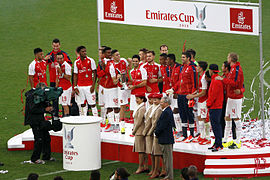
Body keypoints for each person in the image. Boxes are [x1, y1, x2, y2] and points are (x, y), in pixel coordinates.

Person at [216, 53, 244, 149]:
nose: (227, 58)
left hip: (235, 98)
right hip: (230, 98)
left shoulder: (236, 70)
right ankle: (225, 139)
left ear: (231, 59)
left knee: (236, 118)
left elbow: (236, 83)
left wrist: (223, 80)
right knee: (227, 117)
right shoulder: (232, 69)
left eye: (228, 57)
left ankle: (237, 141)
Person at [24, 83, 55, 164]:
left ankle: (46, 156)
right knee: (39, 139)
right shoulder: (31, 97)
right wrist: (45, 109)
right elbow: (32, 109)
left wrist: (50, 106)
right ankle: (35, 158)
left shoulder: (41, 95)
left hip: (40, 120)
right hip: (34, 120)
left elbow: (45, 103)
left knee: (46, 138)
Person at [171, 51, 198, 142]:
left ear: (188, 58)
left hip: (187, 95)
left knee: (189, 114)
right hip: (180, 94)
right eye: (181, 57)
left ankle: (192, 135)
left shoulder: (192, 68)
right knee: (182, 114)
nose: (182, 59)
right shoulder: (183, 68)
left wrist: (192, 95)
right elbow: (180, 81)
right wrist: (173, 89)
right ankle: (184, 134)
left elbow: (195, 83)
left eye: (183, 57)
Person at [187, 61, 211, 145]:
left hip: (204, 100)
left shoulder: (204, 77)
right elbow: (200, 89)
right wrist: (194, 93)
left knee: (205, 119)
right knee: (200, 118)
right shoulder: (201, 76)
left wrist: (193, 97)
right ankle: (202, 136)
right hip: (200, 100)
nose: (196, 68)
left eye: (197, 67)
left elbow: (204, 92)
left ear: (200, 68)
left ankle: (208, 138)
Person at [46, 39, 72, 117]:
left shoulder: (64, 54)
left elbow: (69, 65)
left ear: (59, 45)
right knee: (55, 99)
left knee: (64, 101)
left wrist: (61, 71)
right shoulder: (49, 55)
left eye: (57, 46)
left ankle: (65, 115)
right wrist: (44, 60)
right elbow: (43, 66)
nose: (55, 47)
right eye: (54, 46)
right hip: (53, 80)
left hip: (63, 81)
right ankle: (55, 115)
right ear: (52, 45)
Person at [110, 49, 132, 133]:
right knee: (122, 106)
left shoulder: (123, 60)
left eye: (119, 54)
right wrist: (118, 78)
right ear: (112, 57)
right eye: (116, 55)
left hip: (129, 85)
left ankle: (135, 122)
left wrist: (129, 62)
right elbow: (114, 81)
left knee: (135, 102)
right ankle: (122, 126)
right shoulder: (112, 67)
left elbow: (129, 68)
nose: (119, 56)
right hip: (121, 88)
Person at [73, 46, 98, 116]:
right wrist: (75, 87)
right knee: (82, 104)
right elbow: (75, 74)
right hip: (80, 86)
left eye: (85, 51)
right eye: (83, 51)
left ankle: (96, 119)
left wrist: (93, 86)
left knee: (93, 104)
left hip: (89, 86)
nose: (85, 53)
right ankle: (83, 119)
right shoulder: (76, 62)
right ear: (79, 53)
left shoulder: (91, 60)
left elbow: (95, 73)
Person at [155, 96, 175, 180]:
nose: (160, 104)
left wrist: (156, 132)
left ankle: (169, 177)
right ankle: (168, 176)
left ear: (166, 103)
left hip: (166, 139)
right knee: (166, 159)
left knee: (168, 160)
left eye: (162, 102)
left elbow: (162, 125)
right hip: (165, 138)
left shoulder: (167, 112)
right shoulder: (167, 111)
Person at [207, 64, 224, 152]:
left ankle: (219, 144)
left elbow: (214, 94)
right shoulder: (216, 79)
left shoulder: (216, 81)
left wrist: (208, 103)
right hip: (216, 106)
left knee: (216, 125)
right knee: (215, 125)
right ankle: (217, 143)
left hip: (215, 106)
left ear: (211, 71)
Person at [166, 54, 182, 138]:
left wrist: (175, 90)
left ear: (171, 60)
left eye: (167, 60)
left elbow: (180, 81)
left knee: (176, 111)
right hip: (171, 92)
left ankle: (180, 130)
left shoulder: (179, 68)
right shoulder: (169, 68)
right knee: (173, 111)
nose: (166, 61)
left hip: (177, 92)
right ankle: (176, 129)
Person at [148, 93, 164, 179]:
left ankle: (157, 170)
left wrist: (149, 132)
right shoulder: (154, 108)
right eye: (153, 99)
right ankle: (155, 169)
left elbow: (155, 123)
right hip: (154, 132)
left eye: (156, 99)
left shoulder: (158, 109)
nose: (154, 101)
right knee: (154, 152)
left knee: (157, 152)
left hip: (156, 132)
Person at [129, 55, 147, 121]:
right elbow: (132, 81)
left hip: (141, 93)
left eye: (136, 61)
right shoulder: (131, 71)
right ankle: (134, 125)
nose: (135, 63)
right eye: (133, 61)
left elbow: (144, 82)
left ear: (139, 61)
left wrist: (135, 86)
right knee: (133, 109)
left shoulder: (142, 70)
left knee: (141, 110)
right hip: (133, 93)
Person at [132, 93, 147, 174]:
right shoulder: (140, 107)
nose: (136, 100)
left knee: (140, 150)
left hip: (139, 131)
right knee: (142, 150)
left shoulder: (142, 108)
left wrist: (134, 130)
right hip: (139, 130)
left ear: (142, 99)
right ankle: (145, 166)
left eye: (138, 98)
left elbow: (139, 121)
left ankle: (141, 167)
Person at [97, 46, 112, 126]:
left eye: (110, 53)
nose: (110, 54)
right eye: (108, 53)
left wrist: (105, 69)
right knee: (103, 104)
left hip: (111, 86)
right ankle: (103, 120)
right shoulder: (100, 63)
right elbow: (98, 74)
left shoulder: (113, 62)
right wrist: (104, 70)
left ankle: (110, 121)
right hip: (103, 86)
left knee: (111, 104)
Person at [55, 52, 72, 117]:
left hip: (66, 88)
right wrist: (56, 88)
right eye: (58, 59)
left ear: (63, 58)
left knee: (65, 104)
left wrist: (61, 72)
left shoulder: (67, 66)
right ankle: (66, 117)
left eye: (61, 58)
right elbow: (57, 77)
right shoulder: (57, 66)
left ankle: (67, 117)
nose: (59, 60)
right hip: (61, 88)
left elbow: (68, 78)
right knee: (63, 104)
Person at [142, 93, 154, 175]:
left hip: (151, 133)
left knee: (154, 152)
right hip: (148, 132)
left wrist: (147, 132)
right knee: (148, 151)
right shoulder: (149, 108)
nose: (150, 101)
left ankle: (155, 169)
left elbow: (153, 123)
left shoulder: (156, 108)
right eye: (149, 99)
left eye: (151, 99)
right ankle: (149, 167)